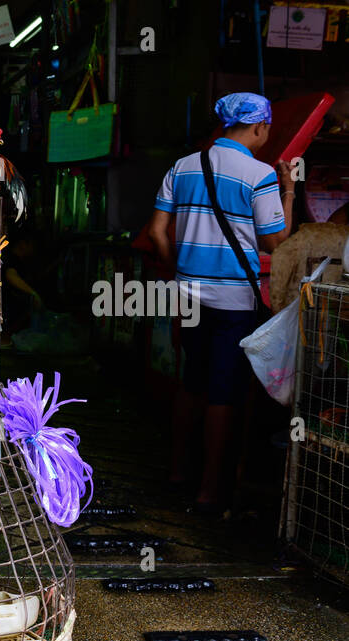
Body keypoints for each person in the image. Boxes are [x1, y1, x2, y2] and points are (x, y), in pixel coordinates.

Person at [147, 92, 295, 514]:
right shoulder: (260, 174)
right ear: (258, 127)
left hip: (189, 295)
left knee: (191, 381)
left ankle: (178, 472)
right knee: (223, 392)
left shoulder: (183, 166)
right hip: (233, 300)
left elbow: (158, 232)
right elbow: (277, 242)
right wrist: (287, 191)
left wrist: (184, 273)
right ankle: (210, 491)